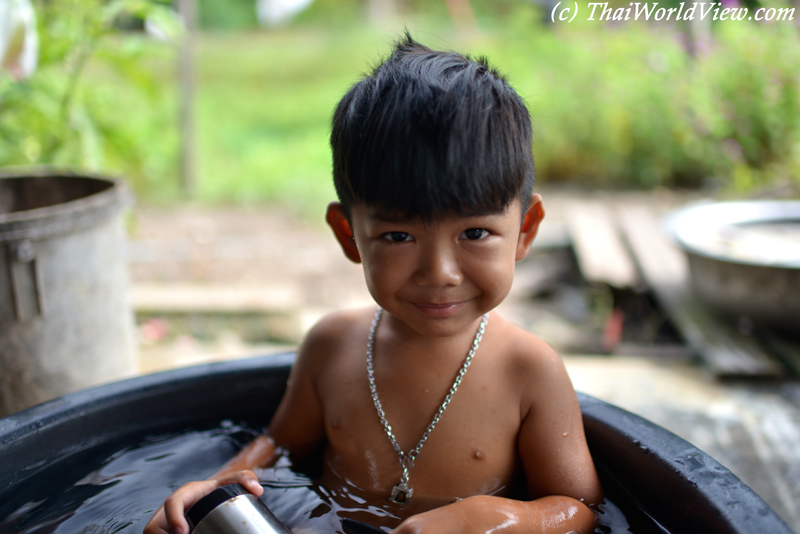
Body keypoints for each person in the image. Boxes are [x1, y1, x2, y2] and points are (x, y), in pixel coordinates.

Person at [145, 33, 603, 534]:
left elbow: (578, 507)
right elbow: (280, 448)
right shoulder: (331, 347)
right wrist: (218, 489)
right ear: (349, 235)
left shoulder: (529, 372)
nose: (440, 273)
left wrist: (504, 518)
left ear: (525, 230)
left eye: (474, 233)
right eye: (398, 235)